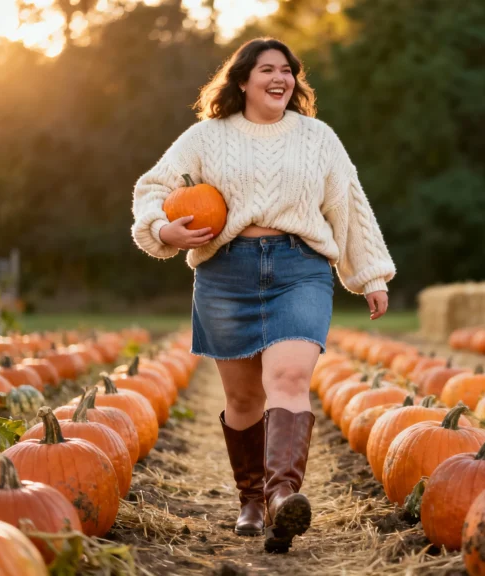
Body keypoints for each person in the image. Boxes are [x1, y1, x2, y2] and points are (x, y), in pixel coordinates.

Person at [130, 37, 395, 553]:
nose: (280, 78)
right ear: (243, 80)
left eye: (288, 70)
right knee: (244, 398)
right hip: (226, 274)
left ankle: (281, 499)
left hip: (302, 269)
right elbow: (152, 189)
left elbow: (348, 203)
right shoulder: (207, 137)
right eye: (268, 69)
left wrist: (371, 275)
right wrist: (164, 232)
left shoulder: (318, 137)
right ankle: (251, 497)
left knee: (290, 378)